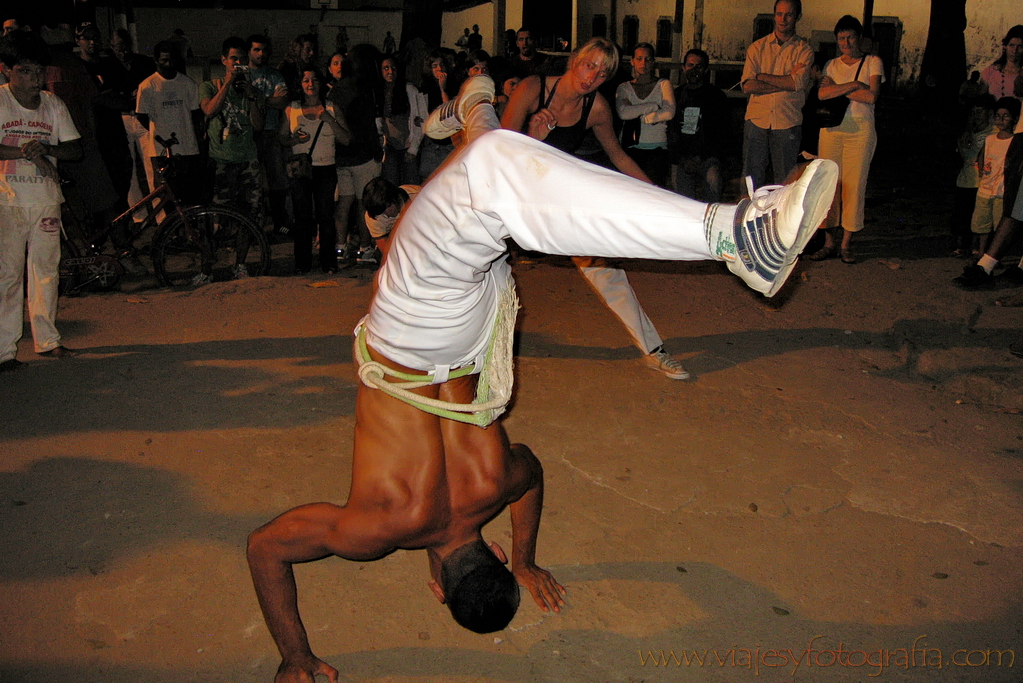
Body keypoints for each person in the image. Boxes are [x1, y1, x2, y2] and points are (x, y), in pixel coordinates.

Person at [247, 80, 838, 682]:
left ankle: (475, 101)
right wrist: (295, 655)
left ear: (495, 551)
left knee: (484, 180)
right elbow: (265, 548)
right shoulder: (378, 527)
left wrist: (526, 561)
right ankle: (734, 236)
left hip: (465, 327)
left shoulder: (496, 483)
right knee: (486, 173)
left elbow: (532, 475)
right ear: (437, 590)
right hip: (418, 333)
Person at [501, 38, 690, 379]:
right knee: (483, 266)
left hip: (552, 200)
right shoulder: (532, 89)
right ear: (575, 60)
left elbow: (618, 156)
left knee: (606, 271)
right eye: (590, 65)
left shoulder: (597, 108)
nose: (593, 77)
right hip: (508, 195)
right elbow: (499, 151)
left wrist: (659, 196)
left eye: (603, 73)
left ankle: (652, 349)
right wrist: (533, 135)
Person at [0, 32, 82, 371]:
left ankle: (47, 341)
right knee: (8, 275)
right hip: (7, 203)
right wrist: (27, 151)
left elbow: (75, 149)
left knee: (46, 272)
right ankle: (4, 350)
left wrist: (46, 149)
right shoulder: (1, 102)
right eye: (26, 71)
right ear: (6, 70)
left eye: (39, 72)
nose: (35, 80)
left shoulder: (53, 104)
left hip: (46, 201)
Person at [805, 14, 884, 264]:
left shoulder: (873, 61)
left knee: (854, 186)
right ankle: (829, 241)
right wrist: (853, 85)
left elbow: (872, 96)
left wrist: (838, 89)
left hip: (860, 132)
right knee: (830, 186)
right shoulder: (831, 64)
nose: (846, 42)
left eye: (850, 37)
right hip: (831, 131)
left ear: (859, 38)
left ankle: (847, 243)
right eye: (841, 38)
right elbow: (822, 94)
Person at [199, 36, 266, 282]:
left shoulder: (252, 91)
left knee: (249, 216)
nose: (238, 63)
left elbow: (258, 126)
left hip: (248, 161)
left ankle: (240, 264)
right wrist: (227, 85)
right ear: (224, 60)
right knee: (215, 221)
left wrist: (250, 96)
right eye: (233, 58)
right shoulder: (210, 85)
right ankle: (207, 269)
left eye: (241, 59)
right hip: (221, 162)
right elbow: (209, 110)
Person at [281, 67, 349, 274]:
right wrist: (294, 140)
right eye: (305, 81)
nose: (310, 84)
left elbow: (346, 138)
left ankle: (328, 262)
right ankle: (302, 263)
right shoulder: (292, 109)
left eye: (314, 80)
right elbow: (281, 138)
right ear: (300, 85)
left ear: (320, 83)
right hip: (301, 171)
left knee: (325, 216)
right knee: (302, 218)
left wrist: (329, 120)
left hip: (325, 168)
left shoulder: (332, 107)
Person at [741, 0, 814, 189]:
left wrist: (763, 76)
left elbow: (796, 82)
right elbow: (748, 85)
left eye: (789, 14)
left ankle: (781, 218)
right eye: (780, 14)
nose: (783, 19)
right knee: (751, 178)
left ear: (797, 17)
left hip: (787, 121)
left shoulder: (804, 50)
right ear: (774, 15)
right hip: (757, 120)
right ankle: (749, 216)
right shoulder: (757, 48)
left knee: (786, 181)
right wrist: (786, 83)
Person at [328, 43, 384, 266]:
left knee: (344, 203)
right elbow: (367, 125)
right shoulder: (364, 88)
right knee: (364, 203)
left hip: (340, 155)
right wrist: (377, 149)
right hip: (361, 154)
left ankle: (340, 247)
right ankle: (365, 248)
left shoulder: (338, 88)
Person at [135, 40, 203, 205]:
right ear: (156, 60)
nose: (168, 64)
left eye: (171, 60)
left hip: (187, 148)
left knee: (189, 194)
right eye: (164, 60)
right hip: (161, 151)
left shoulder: (187, 84)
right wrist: (159, 132)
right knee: (168, 196)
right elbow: (141, 115)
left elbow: (195, 114)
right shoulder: (147, 86)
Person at [670, 48, 728, 202]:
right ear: (684, 68)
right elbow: (671, 130)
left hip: (706, 156)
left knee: (713, 179)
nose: (694, 70)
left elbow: (720, 133)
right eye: (690, 65)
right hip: (682, 157)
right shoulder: (676, 95)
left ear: (706, 70)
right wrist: (682, 158)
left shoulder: (716, 97)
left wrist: (699, 157)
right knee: (680, 197)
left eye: (699, 66)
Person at [247, 35, 291, 239]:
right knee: (252, 182)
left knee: (277, 180)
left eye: (264, 50)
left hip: (271, 132)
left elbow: (282, 102)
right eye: (256, 49)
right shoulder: (243, 74)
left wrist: (258, 98)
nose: (261, 54)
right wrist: (269, 99)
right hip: (248, 134)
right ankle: (252, 226)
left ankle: (280, 223)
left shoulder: (274, 74)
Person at [616, 42, 674, 188]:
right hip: (631, 148)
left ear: (653, 61)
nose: (644, 63)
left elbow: (669, 112)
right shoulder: (624, 87)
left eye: (648, 59)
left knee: (654, 190)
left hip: (657, 149)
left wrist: (645, 117)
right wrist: (653, 107)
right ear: (632, 61)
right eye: (639, 59)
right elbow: (623, 112)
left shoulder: (663, 84)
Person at [969, 98, 1021, 257]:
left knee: (1000, 225)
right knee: (982, 224)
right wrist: (982, 175)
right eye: (998, 116)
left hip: (1002, 191)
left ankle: (995, 256)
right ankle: (982, 252)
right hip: (985, 189)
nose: (1001, 119)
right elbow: (982, 157)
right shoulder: (990, 138)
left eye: (1005, 116)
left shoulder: (1015, 141)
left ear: (1014, 119)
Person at [110, 28, 156, 205]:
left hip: (142, 117)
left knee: (151, 167)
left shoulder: (144, 63)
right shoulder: (109, 65)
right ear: (111, 46)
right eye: (118, 46)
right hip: (122, 119)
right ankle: (137, 214)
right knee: (129, 170)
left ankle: (160, 214)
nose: (122, 50)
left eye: (125, 45)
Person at [949, 95, 996, 256]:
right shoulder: (967, 132)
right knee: (962, 214)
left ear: (989, 113)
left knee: (980, 216)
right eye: (974, 112)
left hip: (984, 181)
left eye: (980, 111)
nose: (977, 115)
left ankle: (978, 247)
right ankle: (962, 244)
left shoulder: (994, 132)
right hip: (965, 178)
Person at [980, 26, 1022, 115]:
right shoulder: (991, 72)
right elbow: (981, 103)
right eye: (1011, 45)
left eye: (1020, 47)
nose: (1014, 50)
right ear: (1005, 46)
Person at [279, 34, 317, 102]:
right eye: (308, 50)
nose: (311, 53)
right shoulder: (287, 69)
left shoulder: (312, 68)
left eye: (313, 49)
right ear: (298, 50)